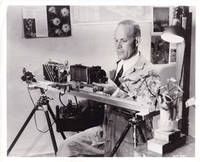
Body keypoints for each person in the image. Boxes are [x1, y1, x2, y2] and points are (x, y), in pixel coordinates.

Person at [57, 20, 157, 157]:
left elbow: (147, 108)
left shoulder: (149, 71)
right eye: (116, 41)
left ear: (137, 41)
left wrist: (115, 92)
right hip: (107, 131)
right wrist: (89, 96)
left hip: (131, 138)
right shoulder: (119, 66)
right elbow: (110, 102)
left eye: (123, 40)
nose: (118, 46)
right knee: (67, 147)